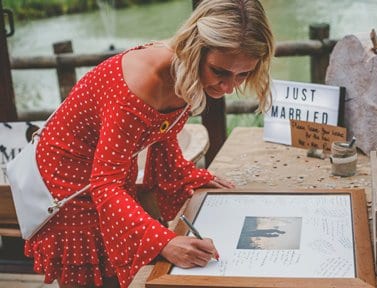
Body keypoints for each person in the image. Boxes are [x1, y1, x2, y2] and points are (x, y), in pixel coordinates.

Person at [27, 0, 274, 286]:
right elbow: (105, 184)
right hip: (68, 179)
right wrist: (164, 242)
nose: (229, 87)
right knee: (95, 277)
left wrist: (185, 176)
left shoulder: (185, 70)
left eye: (243, 74)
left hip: (106, 169)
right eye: (220, 72)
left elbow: (162, 131)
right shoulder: (139, 87)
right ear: (195, 49)